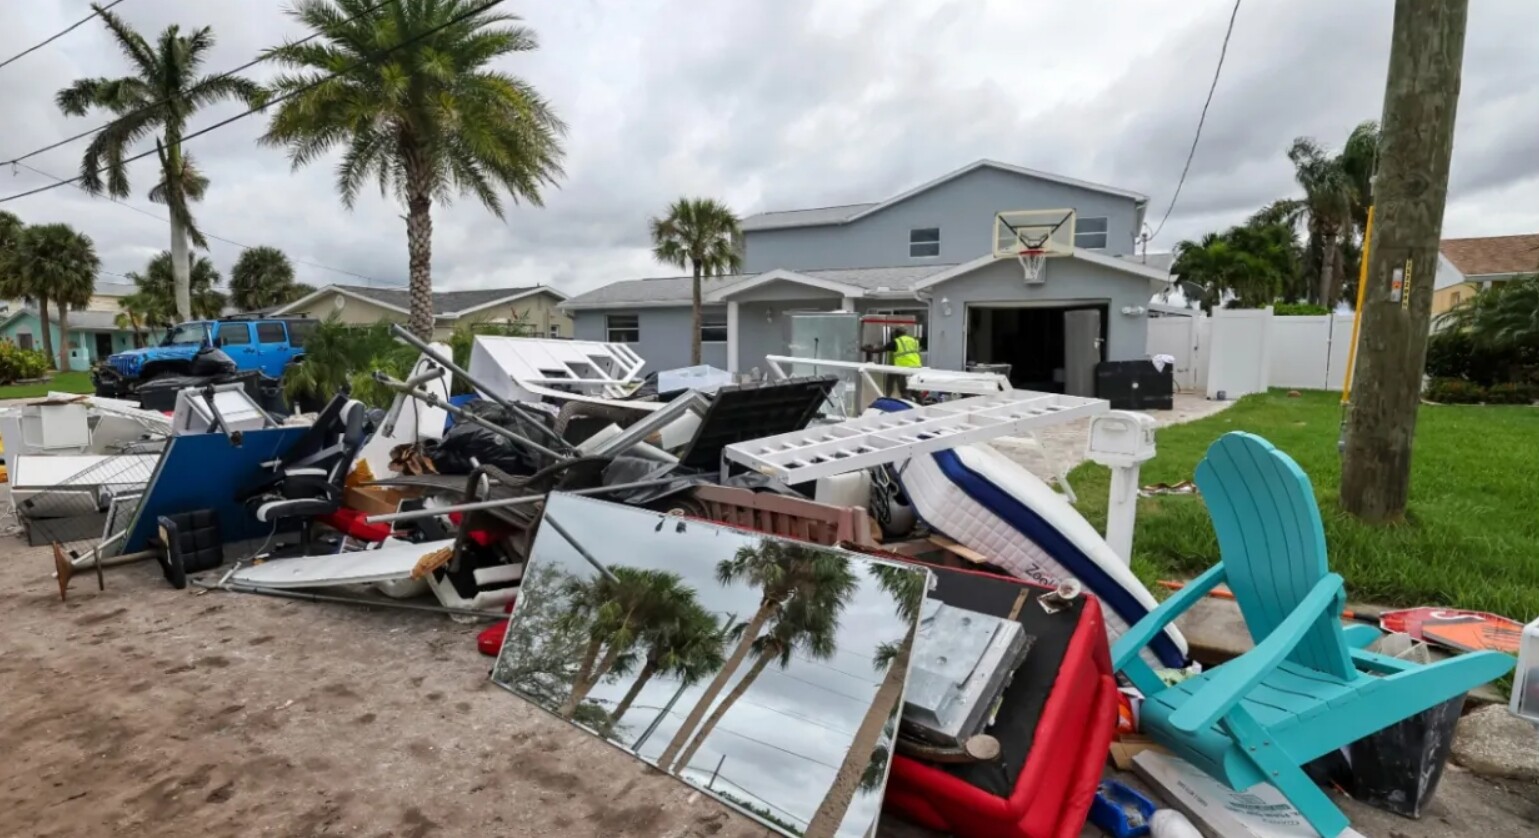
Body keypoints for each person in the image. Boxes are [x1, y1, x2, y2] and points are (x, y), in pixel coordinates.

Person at [863, 327, 923, 397]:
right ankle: (921, 406)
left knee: (904, 391)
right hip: (917, 368)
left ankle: (907, 407)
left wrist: (867, 349)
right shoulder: (913, 340)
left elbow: (880, 349)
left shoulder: (897, 342)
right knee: (916, 392)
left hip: (904, 369)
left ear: (896, 334)